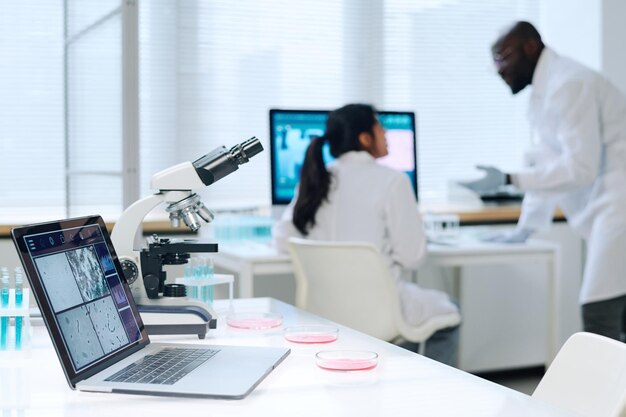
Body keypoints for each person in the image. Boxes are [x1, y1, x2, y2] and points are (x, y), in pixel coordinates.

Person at [461, 21, 626, 341]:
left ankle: (599, 392)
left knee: (599, 312)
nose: (498, 69)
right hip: (607, 208)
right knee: (612, 309)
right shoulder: (545, 92)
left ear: (530, 47)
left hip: (618, 205)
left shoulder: (569, 83)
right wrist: (525, 229)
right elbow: (549, 165)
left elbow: (580, 168)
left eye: (502, 56)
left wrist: (510, 178)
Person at [273, 103, 460, 365]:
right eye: (380, 127)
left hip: (325, 313)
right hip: (382, 313)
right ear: (365, 137)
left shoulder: (317, 180)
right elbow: (412, 257)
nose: (386, 134)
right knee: (451, 311)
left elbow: (284, 240)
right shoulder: (393, 181)